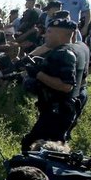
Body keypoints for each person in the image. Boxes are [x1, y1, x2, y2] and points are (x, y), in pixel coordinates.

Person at [20, 19, 78, 152]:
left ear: (60, 34)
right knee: (33, 145)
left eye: (49, 32)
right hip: (51, 109)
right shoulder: (57, 52)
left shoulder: (65, 54)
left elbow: (66, 86)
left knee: (43, 149)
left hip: (58, 111)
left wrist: (38, 74)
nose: (45, 35)